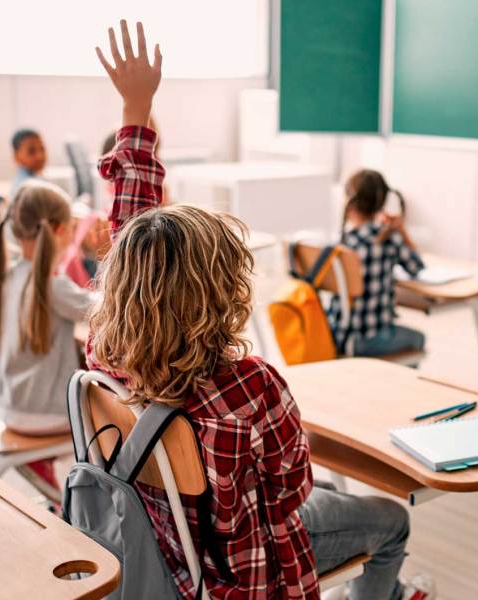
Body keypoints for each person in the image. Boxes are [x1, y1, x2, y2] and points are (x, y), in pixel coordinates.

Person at [87, 20, 434, 599]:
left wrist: (135, 108)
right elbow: (293, 496)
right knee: (391, 520)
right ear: (226, 292)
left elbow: (134, 234)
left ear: (124, 284)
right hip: (241, 571)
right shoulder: (252, 386)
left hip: (161, 547)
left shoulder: (109, 352)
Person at [0, 180, 97, 487]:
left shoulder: (5, 277)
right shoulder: (54, 286)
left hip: (10, 410)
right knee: (114, 407)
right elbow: (103, 311)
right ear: (61, 231)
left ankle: (43, 466)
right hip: (50, 416)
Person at [327, 169, 425, 357]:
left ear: (349, 202)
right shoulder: (387, 238)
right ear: (382, 203)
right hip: (370, 340)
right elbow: (417, 267)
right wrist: (402, 231)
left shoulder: (341, 242)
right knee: (419, 339)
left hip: (338, 335)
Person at [10, 129, 47, 196]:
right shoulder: (26, 188)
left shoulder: (37, 179)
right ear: (16, 156)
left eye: (42, 149)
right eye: (31, 151)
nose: (40, 156)